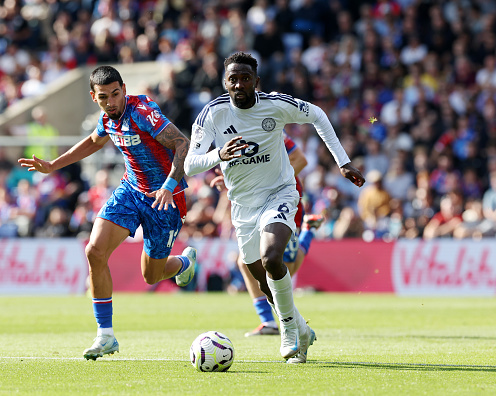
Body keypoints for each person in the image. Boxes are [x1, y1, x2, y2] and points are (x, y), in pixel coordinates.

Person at [184, 52, 365, 364]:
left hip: (279, 193)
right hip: (242, 206)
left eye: (245, 78)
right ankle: (303, 330)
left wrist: (343, 162)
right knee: (262, 279)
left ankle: (289, 331)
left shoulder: (275, 104)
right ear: (225, 82)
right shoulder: (212, 114)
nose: (238, 84)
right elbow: (190, 164)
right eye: (233, 78)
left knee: (271, 257)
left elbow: (318, 115)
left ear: (257, 81)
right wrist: (220, 155)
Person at [18, 65, 196, 361]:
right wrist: (53, 165)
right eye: (104, 97)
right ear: (94, 97)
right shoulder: (107, 119)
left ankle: (182, 264)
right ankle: (105, 336)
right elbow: (93, 141)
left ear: (124, 89)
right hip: (131, 191)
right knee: (94, 251)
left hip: (164, 199)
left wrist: (168, 185)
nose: (112, 101)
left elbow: (182, 143)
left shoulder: (142, 112)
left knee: (151, 275)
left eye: (116, 94)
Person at [211, 132, 325, 337]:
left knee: (283, 269)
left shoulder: (271, 129)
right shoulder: (236, 132)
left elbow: (300, 159)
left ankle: (308, 231)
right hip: (254, 206)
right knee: (245, 262)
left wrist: (271, 184)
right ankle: (268, 322)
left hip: (282, 204)